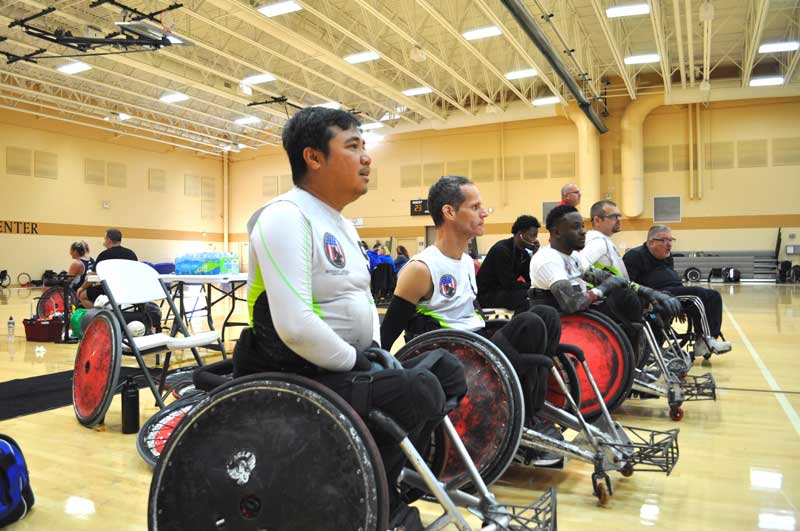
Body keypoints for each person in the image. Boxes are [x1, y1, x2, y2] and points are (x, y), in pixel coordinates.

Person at [233, 107, 466, 530]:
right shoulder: (284, 216)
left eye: (365, 147)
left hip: (341, 368)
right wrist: (360, 361)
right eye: (353, 146)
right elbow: (296, 326)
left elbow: (357, 300)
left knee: (447, 371)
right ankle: (365, 496)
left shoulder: (340, 223)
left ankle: (373, 479)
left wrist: (377, 352)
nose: (367, 158)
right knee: (413, 391)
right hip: (294, 373)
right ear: (313, 157)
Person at [381, 176, 563, 467]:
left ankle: (531, 414)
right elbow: (388, 334)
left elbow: (474, 312)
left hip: (475, 340)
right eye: (475, 206)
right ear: (450, 212)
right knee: (529, 325)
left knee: (546, 316)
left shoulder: (468, 262)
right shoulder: (420, 268)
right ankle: (522, 421)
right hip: (451, 352)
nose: (484, 213)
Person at [529, 205, 681, 340]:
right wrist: (604, 288)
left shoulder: (574, 257)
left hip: (577, 315)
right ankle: (634, 353)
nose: (583, 232)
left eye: (583, 226)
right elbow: (572, 304)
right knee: (625, 299)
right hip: (559, 320)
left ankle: (640, 349)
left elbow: (613, 280)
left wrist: (652, 294)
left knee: (632, 297)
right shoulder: (548, 258)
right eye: (576, 227)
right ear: (557, 232)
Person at [623, 225, 732, 356]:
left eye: (671, 240)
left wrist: (682, 303)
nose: (669, 244)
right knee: (697, 295)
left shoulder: (667, 256)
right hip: (657, 295)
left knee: (714, 295)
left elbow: (673, 278)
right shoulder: (634, 256)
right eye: (664, 240)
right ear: (651, 242)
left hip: (675, 291)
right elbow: (628, 284)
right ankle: (706, 340)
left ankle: (707, 338)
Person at [476, 215, 540, 314]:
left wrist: (536, 255)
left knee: (537, 294)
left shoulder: (523, 254)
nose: (535, 240)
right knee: (526, 298)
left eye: (536, 236)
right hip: (487, 295)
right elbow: (509, 284)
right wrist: (531, 287)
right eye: (532, 235)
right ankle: (519, 326)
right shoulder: (501, 250)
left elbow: (531, 278)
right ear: (520, 235)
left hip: (503, 291)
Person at [77, 228, 138, 308]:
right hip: (128, 290)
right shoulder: (131, 254)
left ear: (108, 240)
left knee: (82, 295)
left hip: (109, 290)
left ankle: (101, 315)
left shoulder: (105, 255)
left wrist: (81, 288)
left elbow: (92, 276)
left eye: (105, 239)